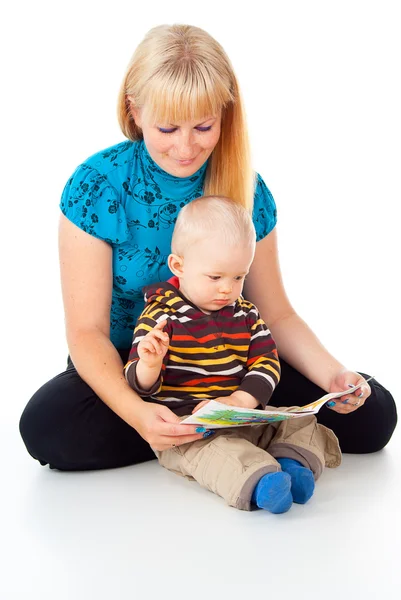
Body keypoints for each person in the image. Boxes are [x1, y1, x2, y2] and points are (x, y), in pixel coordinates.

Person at [19, 24, 396, 471]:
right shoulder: (97, 185)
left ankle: (206, 429)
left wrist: (334, 377)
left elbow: (275, 314)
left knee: (375, 416)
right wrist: (137, 413)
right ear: (134, 110)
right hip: (136, 370)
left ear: (224, 114)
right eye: (167, 127)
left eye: (203, 126)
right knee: (47, 427)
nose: (185, 147)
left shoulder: (247, 187)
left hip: (230, 368)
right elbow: (86, 332)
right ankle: (226, 431)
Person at [124, 195, 342, 512]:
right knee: (217, 454)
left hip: (242, 416)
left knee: (303, 420)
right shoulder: (163, 316)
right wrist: (150, 363)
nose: (227, 289)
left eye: (238, 277)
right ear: (179, 266)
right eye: (215, 277)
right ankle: (262, 482)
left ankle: (293, 463)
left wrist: (241, 401)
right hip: (192, 428)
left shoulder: (246, 314)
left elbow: (267, 362)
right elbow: (137, 381)